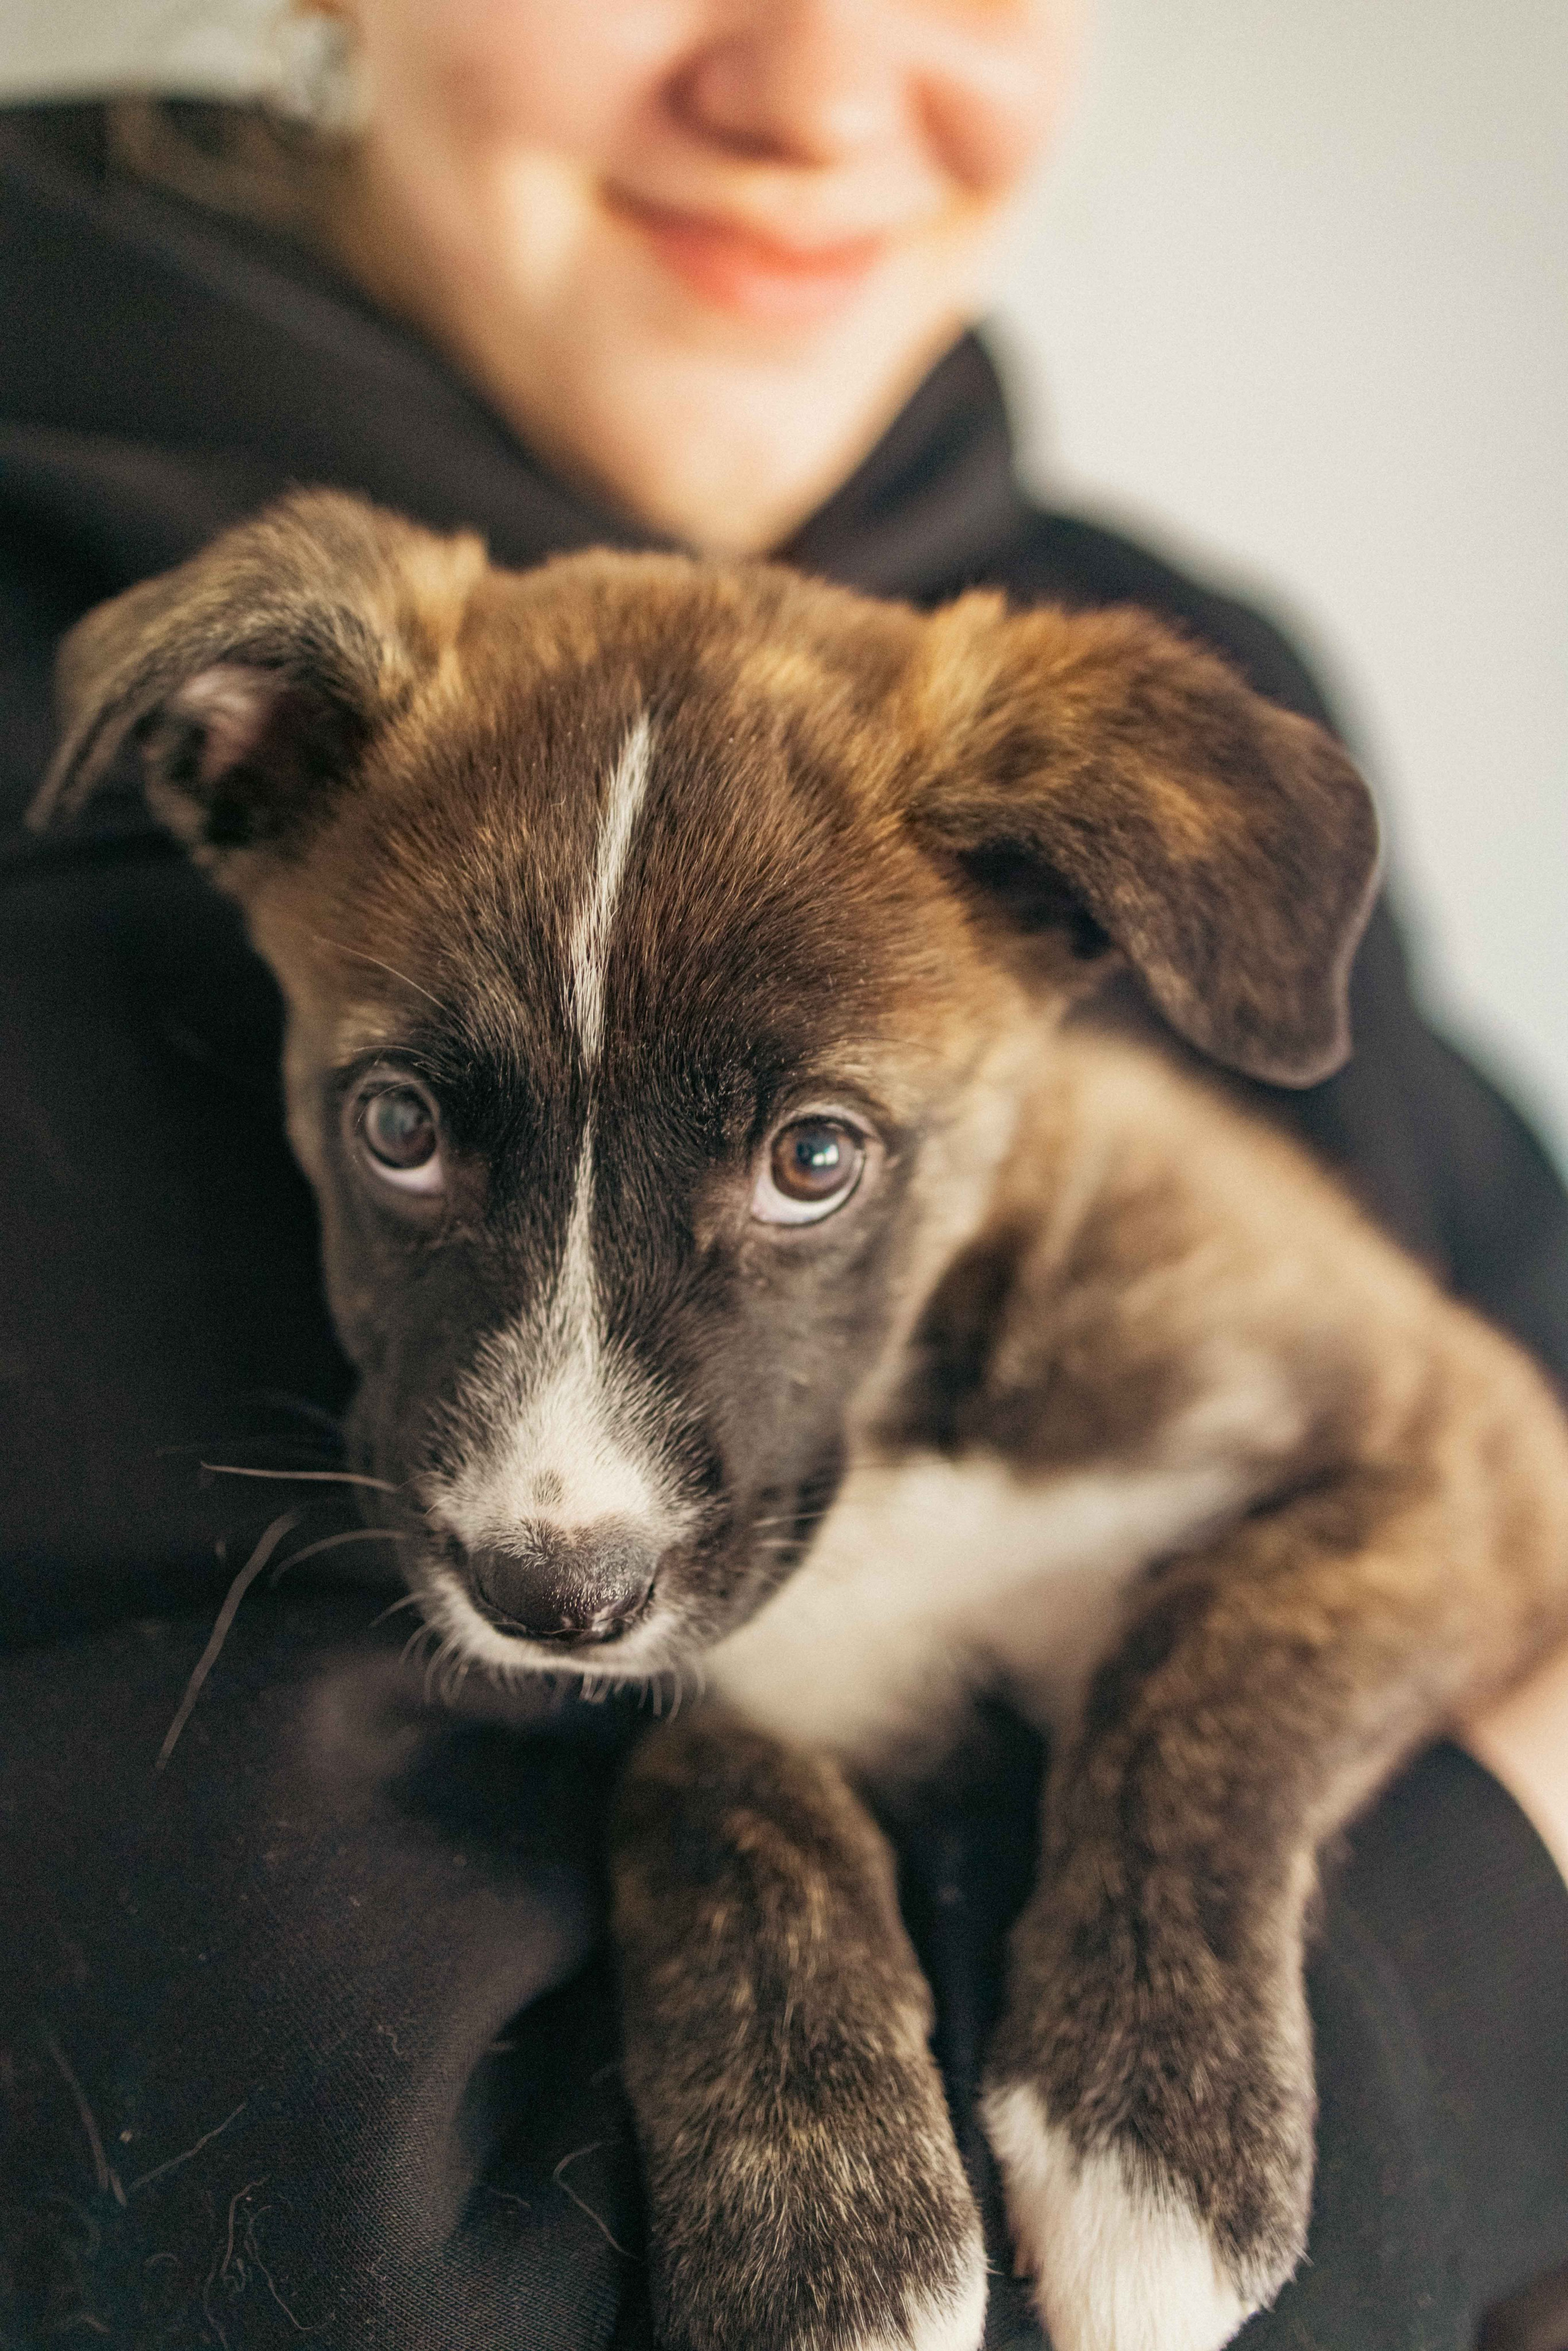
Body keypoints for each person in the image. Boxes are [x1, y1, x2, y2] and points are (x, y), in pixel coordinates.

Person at [0, 6, 1564, 2345]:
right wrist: (1507, 1891)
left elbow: (1508, 1453)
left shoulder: (1151, 670)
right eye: (411, 1127)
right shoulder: (203, 727)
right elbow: (393, 2249)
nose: (821, 93)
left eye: (811, 1153)